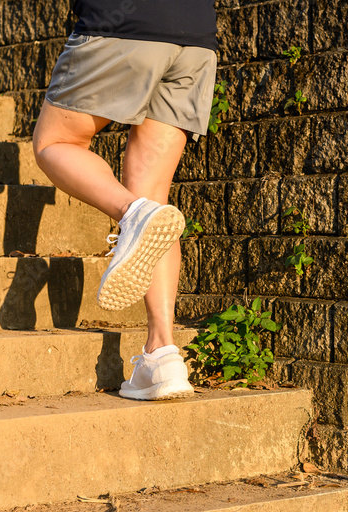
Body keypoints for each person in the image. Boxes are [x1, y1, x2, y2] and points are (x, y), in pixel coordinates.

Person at [32, 0, 218, 401]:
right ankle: (162, 354)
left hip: (123, 23)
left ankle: (130, 214)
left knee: (55, 142)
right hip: (196, 34)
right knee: (153, 193)